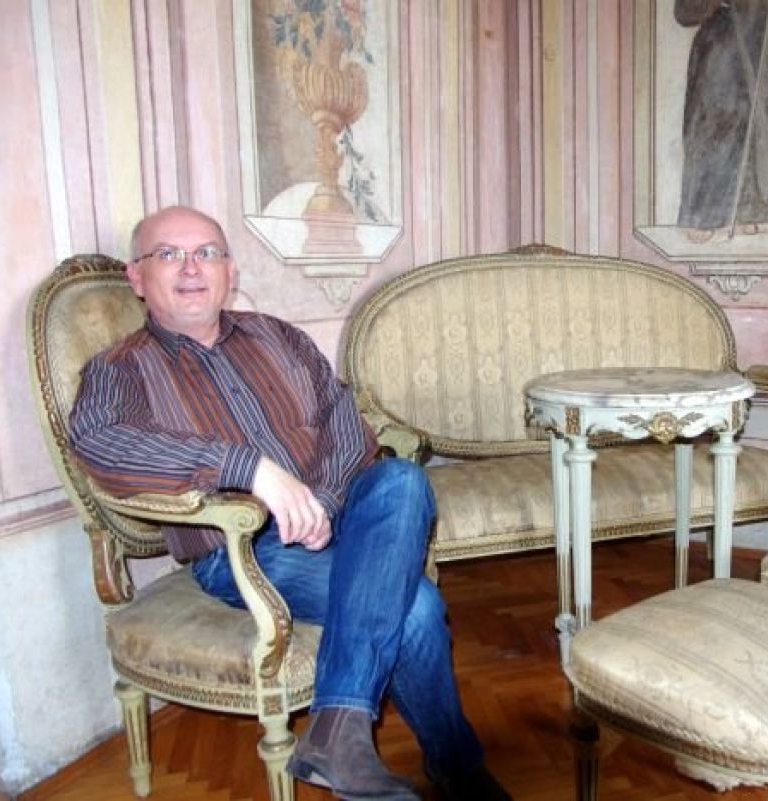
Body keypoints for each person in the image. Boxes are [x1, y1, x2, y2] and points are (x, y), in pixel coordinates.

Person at [69, 206, 510, 801]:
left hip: (345, 517)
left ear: (229, 271)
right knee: (416, 609)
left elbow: (344, 421)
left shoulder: (277, 337)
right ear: (137, 277)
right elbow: (102, 442)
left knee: (401, 480)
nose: (192, 268)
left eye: (207, 253)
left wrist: (323, 501)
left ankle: (335, 733)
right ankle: (452, 767)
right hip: (244, 551)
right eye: (169, 254)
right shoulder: (119, 368)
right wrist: (247, 468)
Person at [676, 0, 768, 243]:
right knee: (716, 121)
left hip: (761, 30)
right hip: (721, 39)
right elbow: (684, 12)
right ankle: (706, 215)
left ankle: (759, 211)